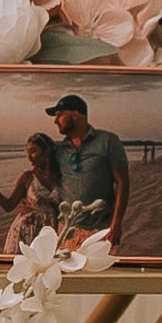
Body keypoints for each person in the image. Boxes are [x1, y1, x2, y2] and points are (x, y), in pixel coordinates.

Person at [43, 93, 131, 253]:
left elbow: (122, 183)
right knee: (68, 278)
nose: (55, 121)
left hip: (100, 230)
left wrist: (116, 223)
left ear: (76, 115)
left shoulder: (108, 141)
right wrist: (26, 200)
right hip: (66, 231)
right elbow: (46, 179)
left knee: (100, 277)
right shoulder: (57, 149)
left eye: (60, 115)